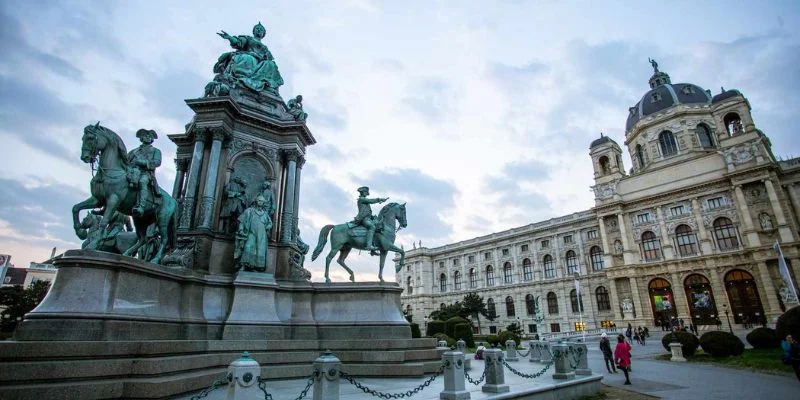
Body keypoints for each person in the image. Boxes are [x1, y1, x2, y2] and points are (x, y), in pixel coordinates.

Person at [127, 128, 162, 216]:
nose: (148, 137)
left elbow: (157, 163)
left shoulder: (156, 151)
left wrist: (142, 162)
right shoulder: (133, 151)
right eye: (146, 136)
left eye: (150, 136)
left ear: (152, 139)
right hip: (132, 172)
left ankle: (141, 207)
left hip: (146, 173)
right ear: (141, 138)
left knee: (143, 181)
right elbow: (126, 161)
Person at [235, 196, 273, 272]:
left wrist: (267, 227)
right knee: (248, 247)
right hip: (251, 233)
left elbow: (270, 223)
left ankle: (255, 267)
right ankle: (243, 265)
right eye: (259, 201)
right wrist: (241, 229)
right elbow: (242, 220)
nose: (260, 202)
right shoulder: (249, 211)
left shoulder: (265, 214)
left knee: (260, 250)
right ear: (256, 201)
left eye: (262, 201)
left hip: (262, 235)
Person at [351, 186, 388, 253]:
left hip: (368, 218)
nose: (366, 193)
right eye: (365, 192)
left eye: (366, 192)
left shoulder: (363, 199)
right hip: (364, 219)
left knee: (378, 227)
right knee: (372, 227)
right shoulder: (362, 199)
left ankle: (373, 247)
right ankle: (369, 245)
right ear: (362, 192)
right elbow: (371, 201)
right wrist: (380, 199)